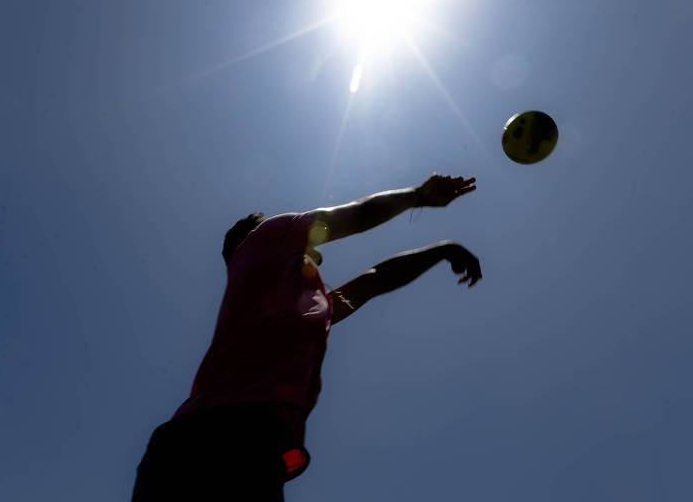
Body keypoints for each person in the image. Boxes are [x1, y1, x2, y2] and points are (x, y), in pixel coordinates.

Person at [132, 173, 482, 501]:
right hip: (228, 437)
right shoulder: (266, 237)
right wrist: (419, 196)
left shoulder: (295, 304)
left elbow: (374, 280)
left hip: (223, 442)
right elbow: (361, 214)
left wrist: (442, 249)